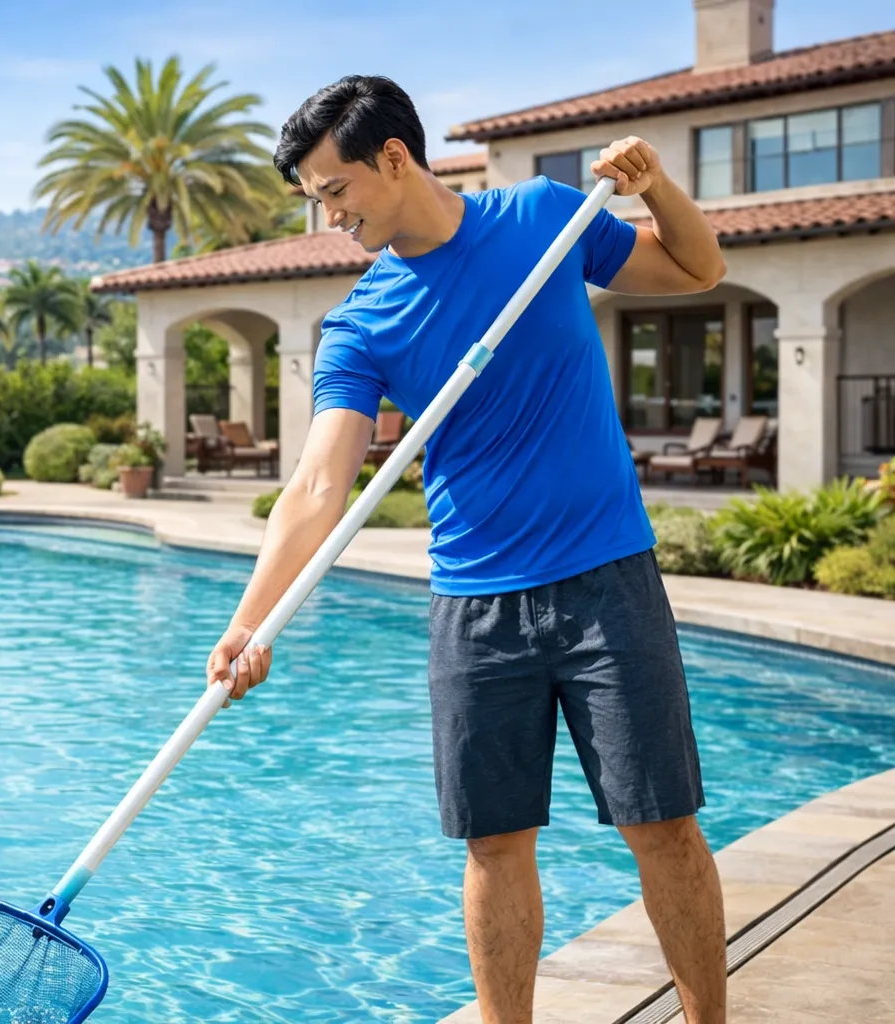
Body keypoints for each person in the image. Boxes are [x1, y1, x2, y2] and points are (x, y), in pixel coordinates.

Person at [203, 75, 729, 1024]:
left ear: (393, 158)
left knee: (663, 829)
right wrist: (252, 622)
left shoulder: (545, 220)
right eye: (318, 200)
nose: (330, 216)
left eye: (335, 190)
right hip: (476, 607)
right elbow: (319, 484)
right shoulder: (361, 324)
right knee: (494, 847)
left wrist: (655, 186)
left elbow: (697, 272)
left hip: (607, 577)